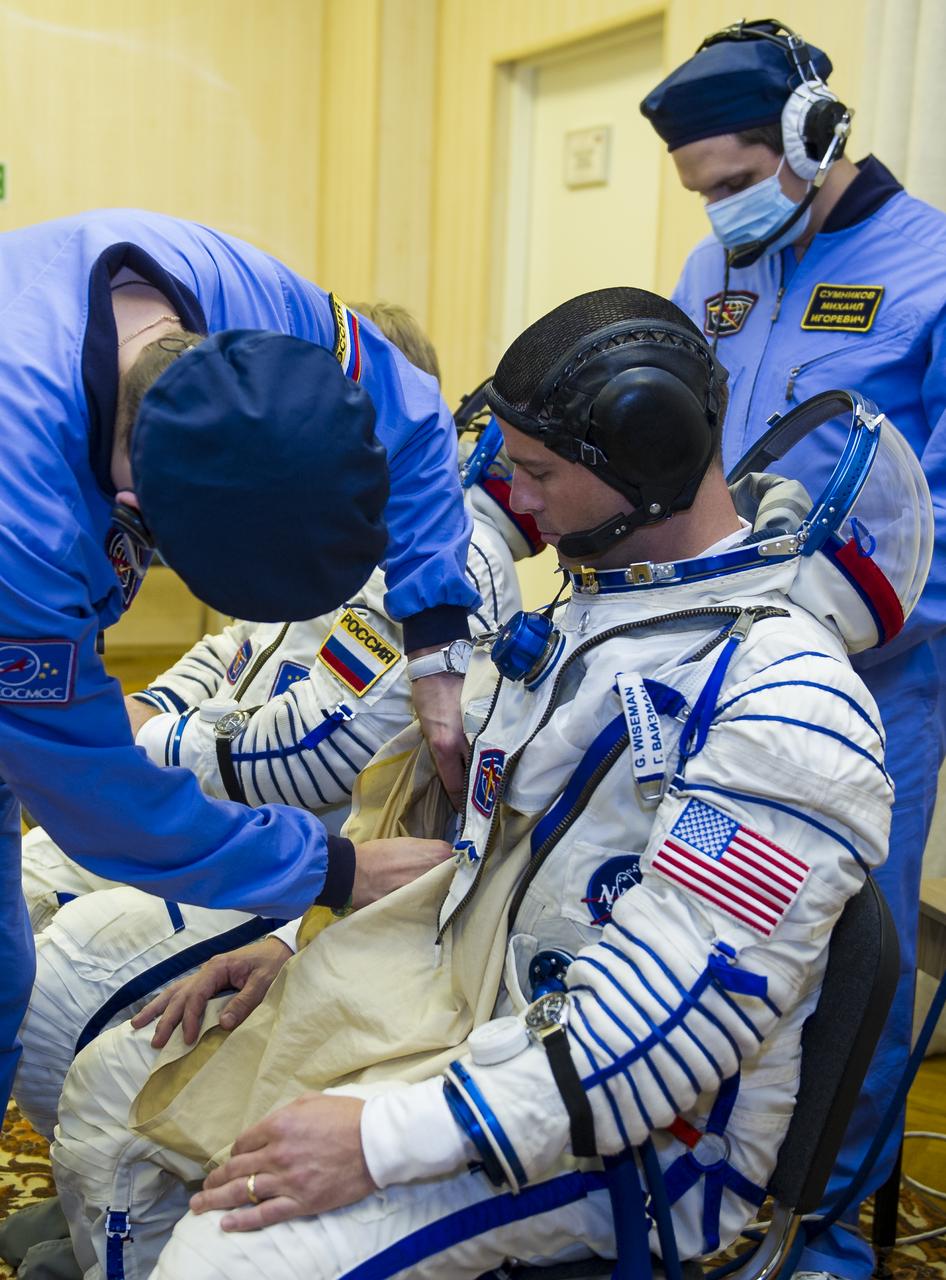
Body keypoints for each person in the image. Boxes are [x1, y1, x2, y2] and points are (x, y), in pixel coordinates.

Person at [47, 286, 930, 1280]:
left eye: (538, 470)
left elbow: (664, 1028)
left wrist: (380, 1138)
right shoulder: (594, 623)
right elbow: (482, 857)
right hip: (473, 1018)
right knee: (119, 1099)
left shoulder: (785, 702)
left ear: (640, 462)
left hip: (640, 1144)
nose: (516, 495)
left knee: (237, 1250)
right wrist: (299, 942)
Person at [0, 209, 488, 1123]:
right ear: (135, 511)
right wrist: (333, 873)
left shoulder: (260, 310)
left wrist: (436, 644)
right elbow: (102, 804)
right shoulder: (18, 523)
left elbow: (419, 423)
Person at [640, 21, 946, 1278]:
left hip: (877, 675)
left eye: (730, 183)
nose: (718, 212)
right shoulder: (714, 273)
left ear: (811, 138)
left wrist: (846, 600)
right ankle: (694, 1178)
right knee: (703, 916)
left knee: (851, 944)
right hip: (710, 656)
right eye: (699, 192)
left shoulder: (931, 270)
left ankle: (820, 1218)